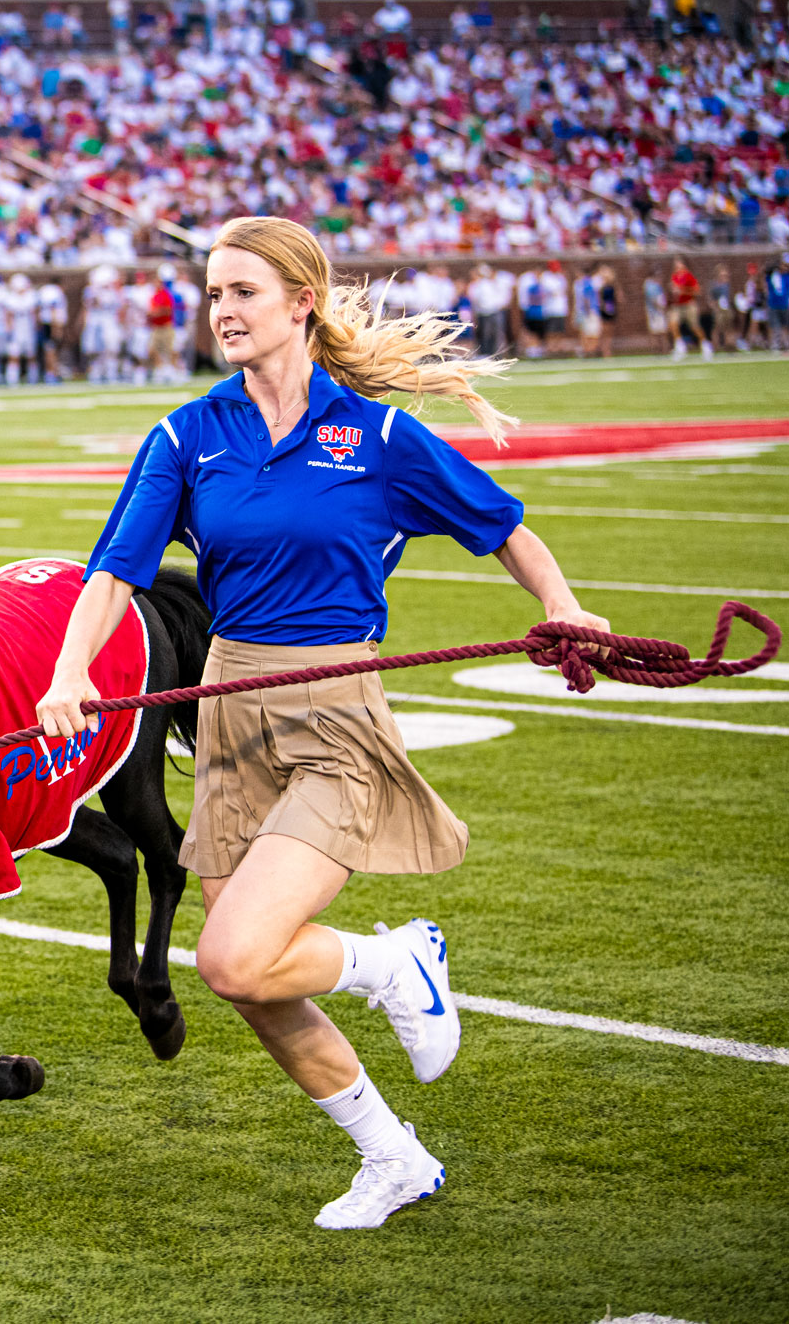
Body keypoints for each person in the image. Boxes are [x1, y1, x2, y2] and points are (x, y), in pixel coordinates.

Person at [36, 216, 607, 1231]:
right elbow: (112, 571)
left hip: (335, 705)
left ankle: (396, 962)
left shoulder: (378, 439)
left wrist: (561, 606)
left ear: (300, 301)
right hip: (225, 706)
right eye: (213, 294)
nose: (221, 312)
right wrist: (68, 671)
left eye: (243, 292)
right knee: (251, 978)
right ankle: (391, 1156)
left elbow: (501, 523)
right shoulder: (186, 435)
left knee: (231, 955)